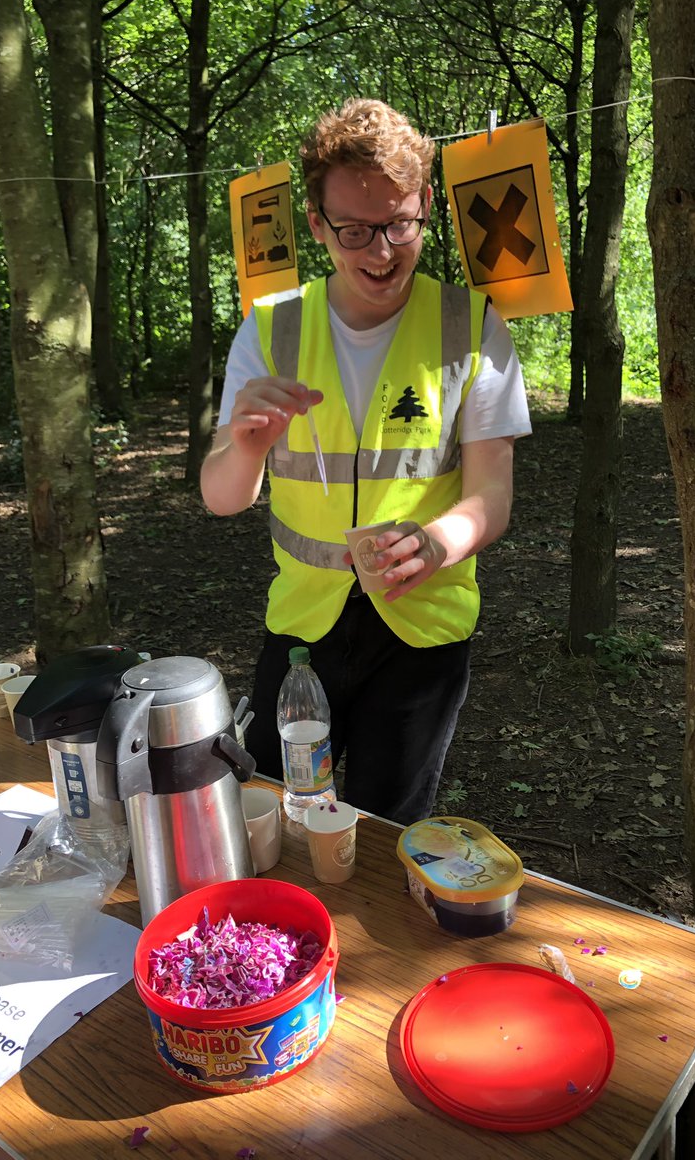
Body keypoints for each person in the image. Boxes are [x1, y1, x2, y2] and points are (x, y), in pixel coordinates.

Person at [201, 98, 531, 823]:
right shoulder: (271, 328)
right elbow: (222, 497)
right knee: (275, 816)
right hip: (302, 630)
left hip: (423, 631)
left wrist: (437, 542)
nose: (380, 253)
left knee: (385, 832)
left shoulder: (472, 327)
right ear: (317, 224)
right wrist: (246, 444)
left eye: (399, 225)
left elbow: (492, 495)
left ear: (426, 209)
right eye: (354, 230)